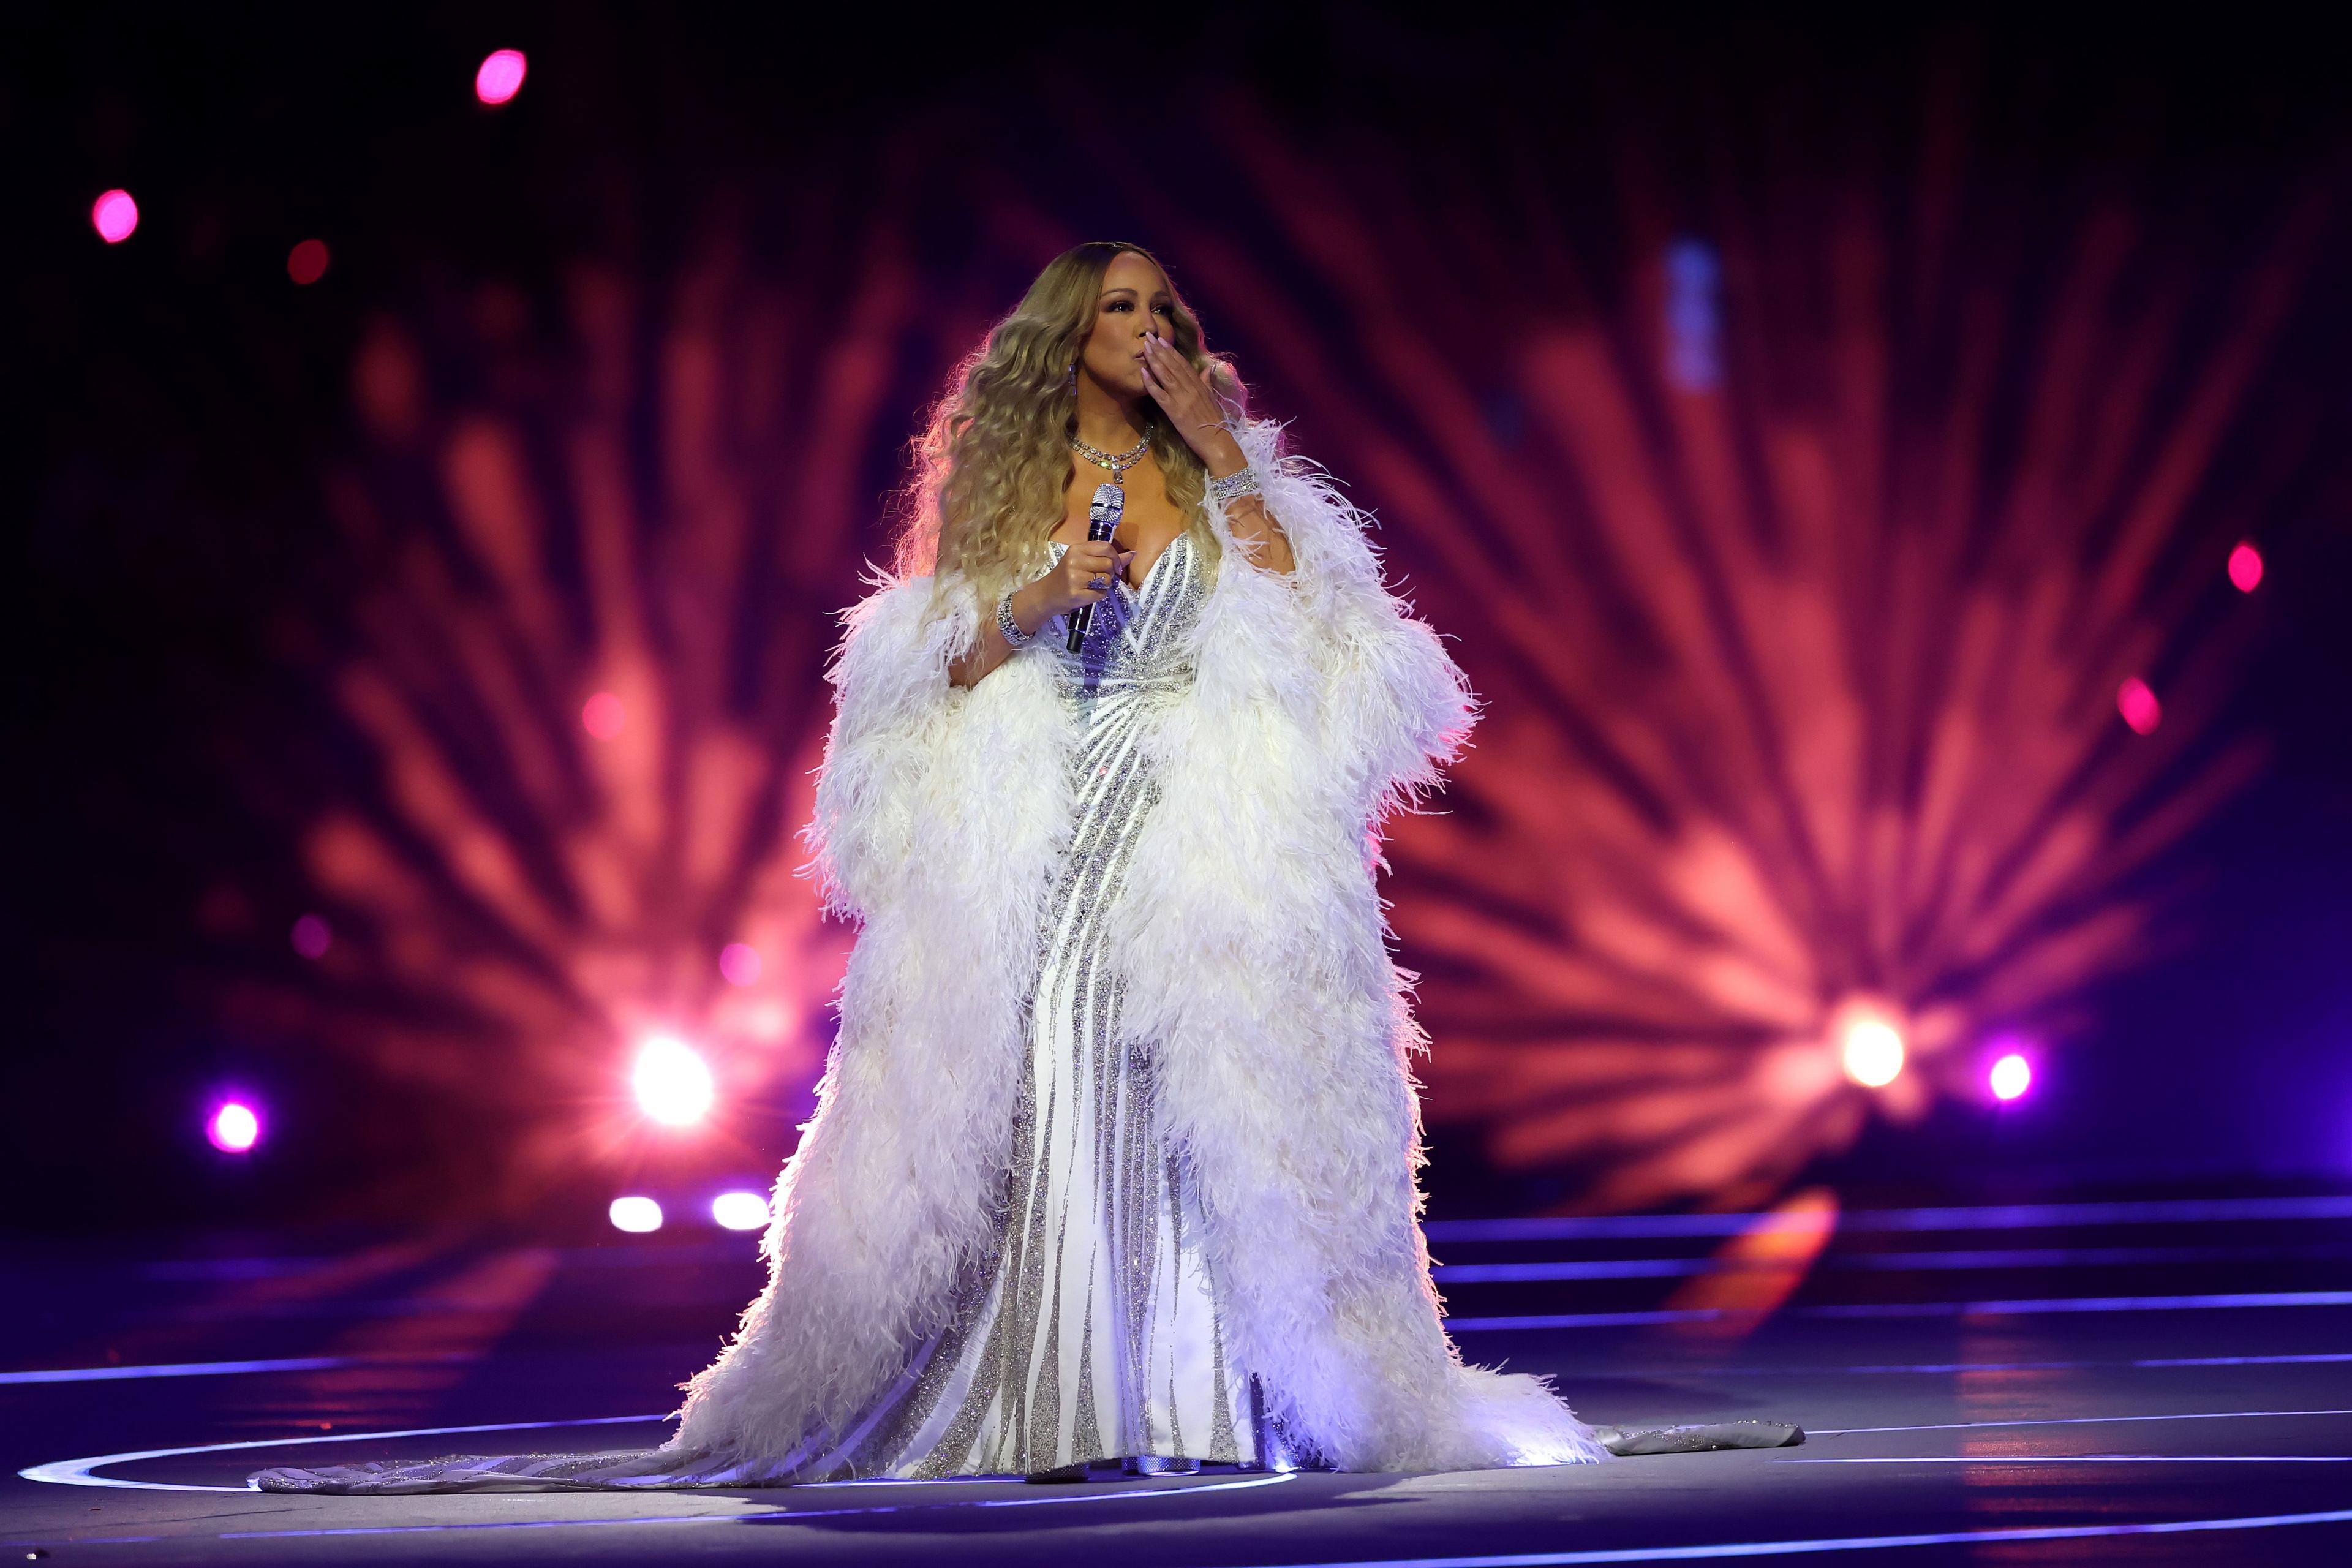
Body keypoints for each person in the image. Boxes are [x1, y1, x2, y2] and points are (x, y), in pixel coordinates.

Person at [254, 241, 1791, 1496]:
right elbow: (920, 680)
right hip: (1048, 833)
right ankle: (1050, 1392)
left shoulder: (1223, 473)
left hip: (1200, 840)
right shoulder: (1004, 498)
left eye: (1164, 308)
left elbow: (1333, 632)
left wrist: (1219, 453)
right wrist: (1037, 599)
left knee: (1205, 1098)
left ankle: (1208, 1391)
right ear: (1068, 334)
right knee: (1048, 1084)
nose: (1146, 327)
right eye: (1119, 307)